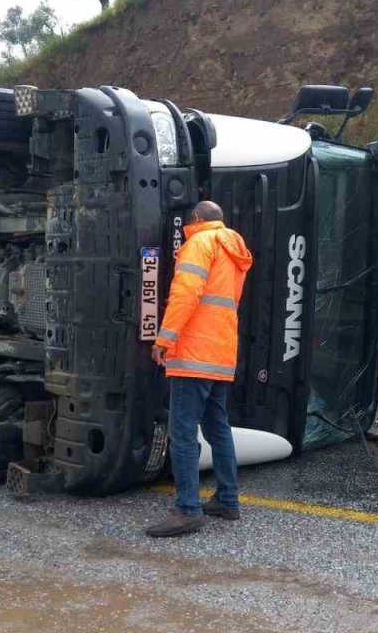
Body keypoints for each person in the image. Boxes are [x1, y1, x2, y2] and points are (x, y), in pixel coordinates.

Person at [146, 201, 253, 538]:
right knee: (218, 427)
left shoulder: (198, 243)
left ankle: (188, 509)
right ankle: (227, 499)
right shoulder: (234, 248)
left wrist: (164, 339)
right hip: (221, 353)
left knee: (182, 433)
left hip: (193, 352)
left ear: (195, 219)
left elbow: (186, 294)